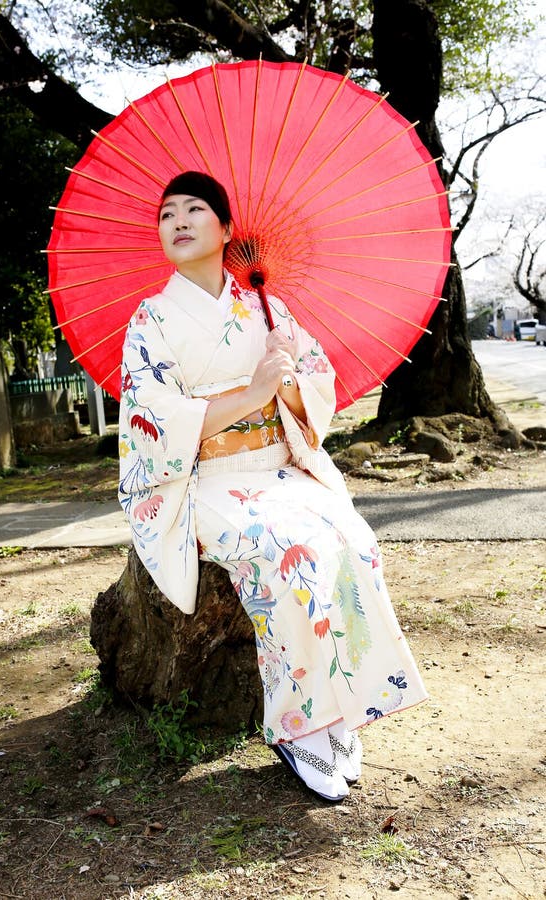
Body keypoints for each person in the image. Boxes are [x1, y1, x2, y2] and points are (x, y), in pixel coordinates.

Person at [118, 171, 428, 802]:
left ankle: (342, 707)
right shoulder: (150, 320)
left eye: (194, 209)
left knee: (353, 542)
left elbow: (315, 387)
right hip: (203, 481)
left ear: (228, 229)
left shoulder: (267, 307)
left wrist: (286, 375)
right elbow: (153, 419)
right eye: (166, 214)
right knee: (289, 556)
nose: (176, 221)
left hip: (279, 468)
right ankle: (298, 726)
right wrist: (252, 392)